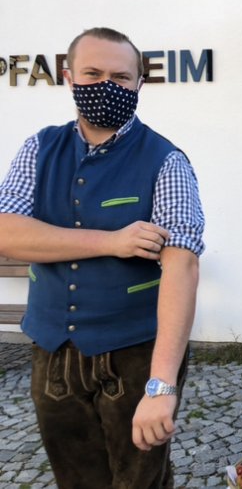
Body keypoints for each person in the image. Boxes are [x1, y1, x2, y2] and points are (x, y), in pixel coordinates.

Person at [0, 27, 205, 489]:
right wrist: (111, 241)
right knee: (75, 479)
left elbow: (182, 266)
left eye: (121, 77)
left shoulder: (166, 160)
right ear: (69, 77)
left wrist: (161, 385)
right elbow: (6, 232)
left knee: (140, 480)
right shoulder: (39, 148)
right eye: (93, 73)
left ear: (139, 84)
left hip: (134, 352)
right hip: (52, 349)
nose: (106, 85)